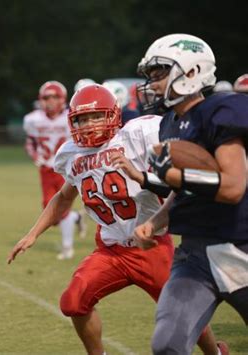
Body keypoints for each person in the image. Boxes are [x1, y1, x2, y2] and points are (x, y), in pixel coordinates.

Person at [8, 84, 225, 354]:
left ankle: (215, 352)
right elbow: (63, 197)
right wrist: (33, 233)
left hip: (152, 248)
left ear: (112, 114)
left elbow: (179, 148)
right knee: (73, 302)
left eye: (96, 116)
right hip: (110, 250)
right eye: (82, 119)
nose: (89, 124)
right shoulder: (71, 153)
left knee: (185, 314)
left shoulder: (136, 135)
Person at [135, 33, 248, 354]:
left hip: (240, 250)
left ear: (192, 72)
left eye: (159, 74)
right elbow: (181, 192)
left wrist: (175, 174)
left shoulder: (221, 110)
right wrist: (155, 222)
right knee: (168, 345)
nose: (153, 84)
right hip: (194, 257)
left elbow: (233, 186)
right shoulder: (169, 123)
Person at [23, 80, 86, 260]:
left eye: (54, 97)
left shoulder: (71, 117)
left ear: (63, 99)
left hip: (66, 168)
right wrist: (35, 156)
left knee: (60, 207)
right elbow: (30, 142)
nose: (50, 101)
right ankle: (75, 218)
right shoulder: (33, 119)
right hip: (45, 169)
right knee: (50, 212)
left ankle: (67, 248)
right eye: (46, 97)